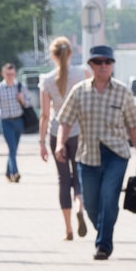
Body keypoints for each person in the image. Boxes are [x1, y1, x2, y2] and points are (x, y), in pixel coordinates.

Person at [55, 44, 136, 261]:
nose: (103, 66)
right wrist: (60, 144)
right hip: (88, 155)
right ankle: (102, 228)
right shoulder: (80, 91)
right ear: (91, 65)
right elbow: (65, 121)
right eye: (98, 62)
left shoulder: (122, 92)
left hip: (116, 153)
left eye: (107, 62)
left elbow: (134, 125)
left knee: (108, 197)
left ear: (112, 65)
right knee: (92, 203)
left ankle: (103, 244)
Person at [38, 37, 88, 241]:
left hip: (56, 132)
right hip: (78, 131)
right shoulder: (82, 73)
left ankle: (68, 229)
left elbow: (44, 114)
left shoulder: (47, 80)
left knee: (63, 180)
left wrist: (41, 142)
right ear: (71, 54)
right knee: (79, 177)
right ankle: (80, 206)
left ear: (53, 56)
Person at [0, 62, 28, 182]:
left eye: (12, 74)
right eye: (7, 74)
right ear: (3, 74)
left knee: (14, 149)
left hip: (18, 121)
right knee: (12, 148)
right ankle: (15, 173)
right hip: (6, 122)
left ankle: (8, 173)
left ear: (15, 74)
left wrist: (22, 100)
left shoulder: (20, 87)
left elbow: (28, 104)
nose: (10, 76)